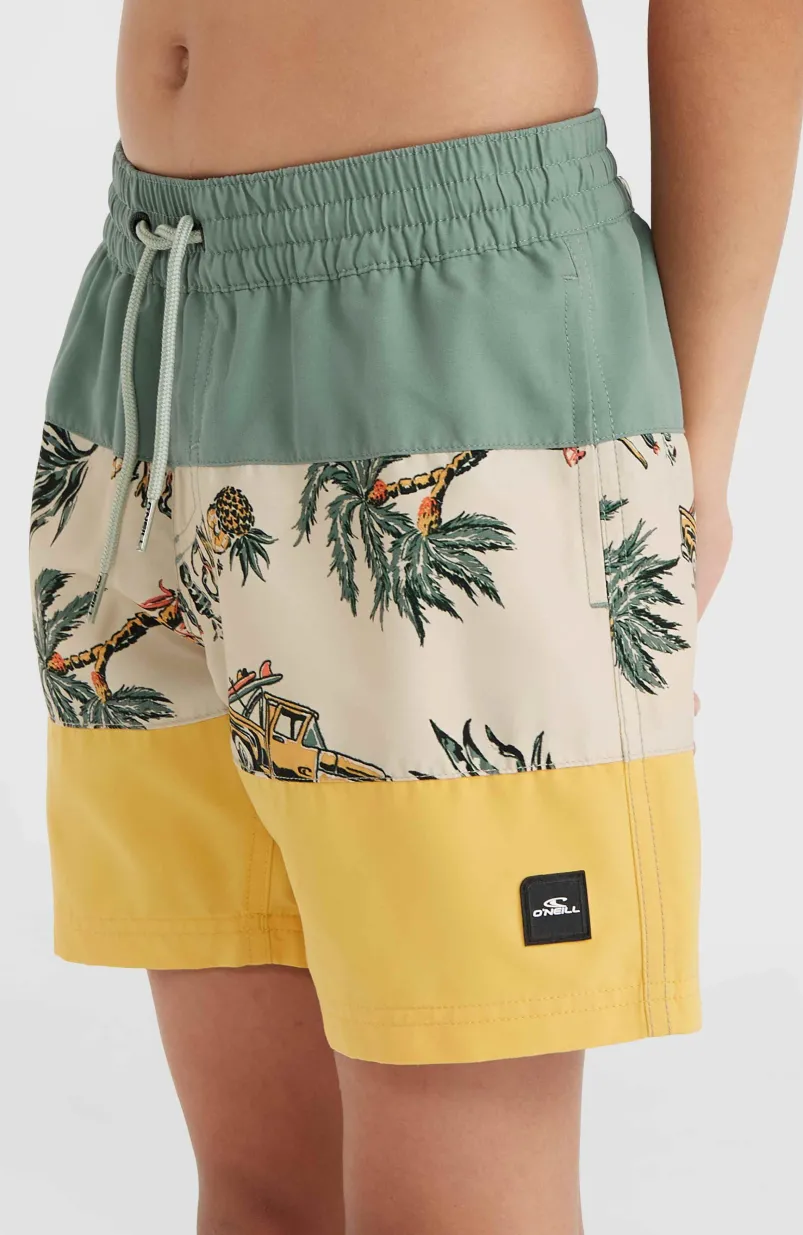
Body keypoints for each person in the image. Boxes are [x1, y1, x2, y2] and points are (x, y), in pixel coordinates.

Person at [29, 1, 803, 1232]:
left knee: (450, 1205)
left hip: (447, 330)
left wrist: (694, 460)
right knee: (261, 1192)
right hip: (153, 323)